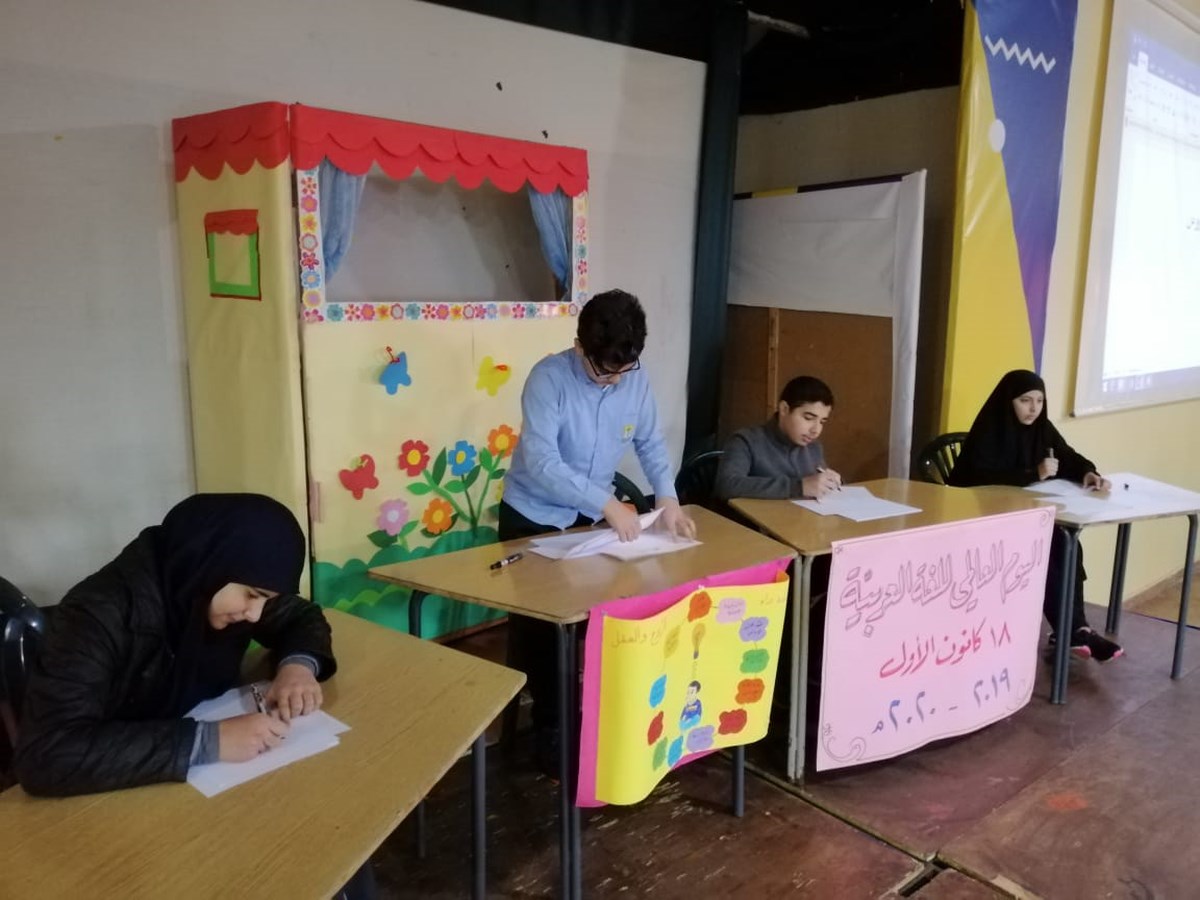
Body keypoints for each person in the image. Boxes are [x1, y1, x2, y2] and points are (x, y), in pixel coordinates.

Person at [15, 493, 338, 797]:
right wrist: (209, 741)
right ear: (209, 565)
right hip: (116, 796)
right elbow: (46, 754)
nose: (255, 614)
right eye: (252, 595)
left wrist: (297, 667)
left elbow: (301, 616)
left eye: (266, 600)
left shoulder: (219, 580)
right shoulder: (95, 615)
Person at [500, 288, 696, 767]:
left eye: (623, 370)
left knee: (596, 619)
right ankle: (549, 734)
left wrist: (667, 499)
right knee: (544, 635)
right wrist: (607, 503)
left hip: (590, 521)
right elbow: (541, 460)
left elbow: (650, 442)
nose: (615, 380)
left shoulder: (632, 376)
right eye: (604, 371)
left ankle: (593, 722)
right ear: (579, 346)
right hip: (534, 517)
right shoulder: (548, 379)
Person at [948, 369, 1123, 661]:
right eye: (1025, 401)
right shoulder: (990, 431)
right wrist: (1032, 473)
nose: (1033, 409)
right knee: (1048, 545)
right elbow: (976, 480)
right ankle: (1073, 631)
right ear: (1009, 401)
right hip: (985, 521)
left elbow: (1067, 456)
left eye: (1039, 401)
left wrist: (1088, 472)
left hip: (1026, 515)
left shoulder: (1041, 428)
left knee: (1067, 541)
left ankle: (1076, 628)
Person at [714, 375, 842, 501]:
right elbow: (726, 485)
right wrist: (798, 487)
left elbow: (815, 485)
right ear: (784, 409)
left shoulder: (813, 447)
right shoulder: (745, 441)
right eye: (808, 418)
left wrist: (829, 483)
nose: (816, 430)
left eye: (822, 422)